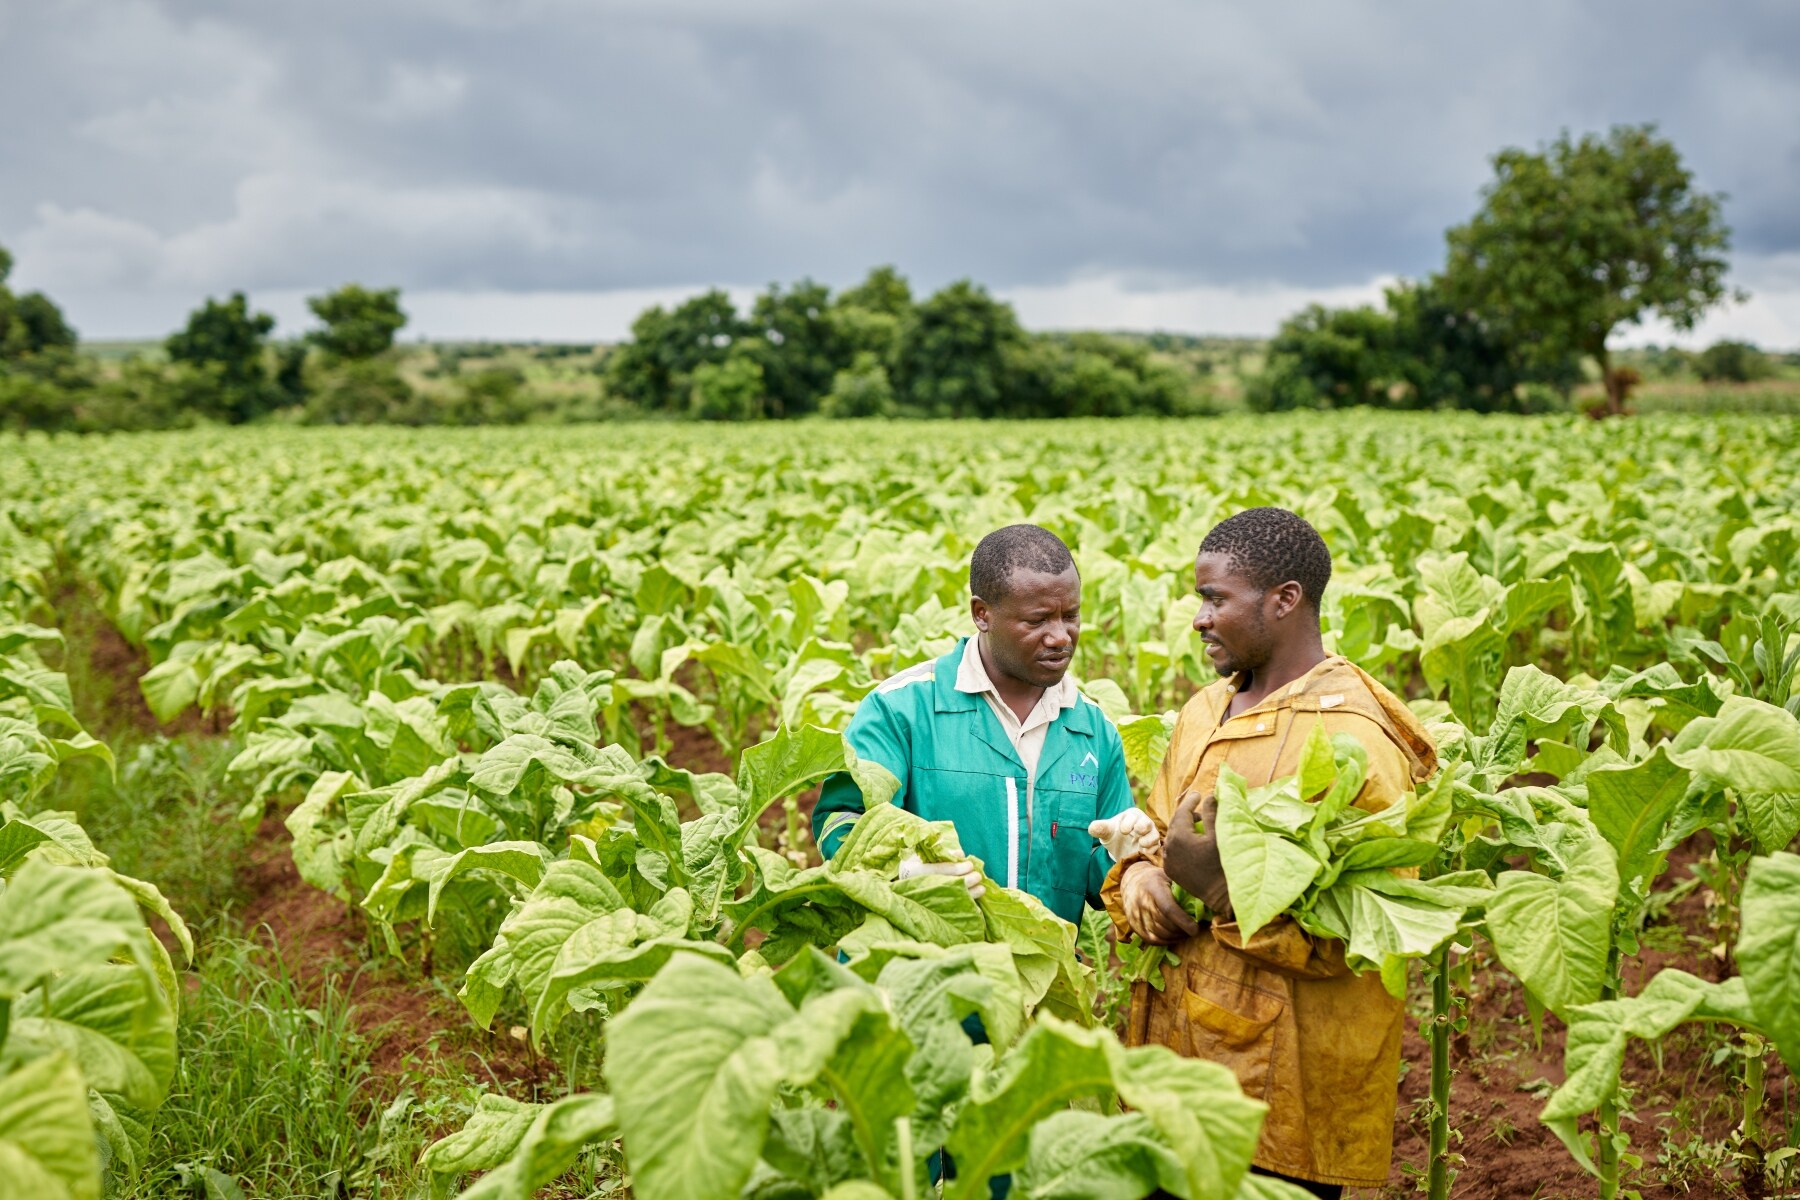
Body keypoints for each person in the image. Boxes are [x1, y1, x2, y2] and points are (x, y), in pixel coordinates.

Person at [1100, 507, 1438, 1200]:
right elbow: (1161, 837)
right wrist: (1137, 876)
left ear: (1284, 600)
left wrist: (1223, 895)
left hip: (1283, 1107)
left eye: (1215, 599)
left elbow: (1367, 936)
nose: (1197, 618)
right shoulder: (1206, 709)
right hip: (1175, 1069)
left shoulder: (1354, 740)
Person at [812, 523, 1152, 926]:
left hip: (1041, 976)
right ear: (982, 614)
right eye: (1037, 620)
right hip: (921, 971)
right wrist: (904, 872)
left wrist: (1122, 858)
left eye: (1071, 616)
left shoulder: (1092, 730)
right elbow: (841, 823)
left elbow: (1093, 881)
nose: (1061, 637)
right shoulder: (901, 710)